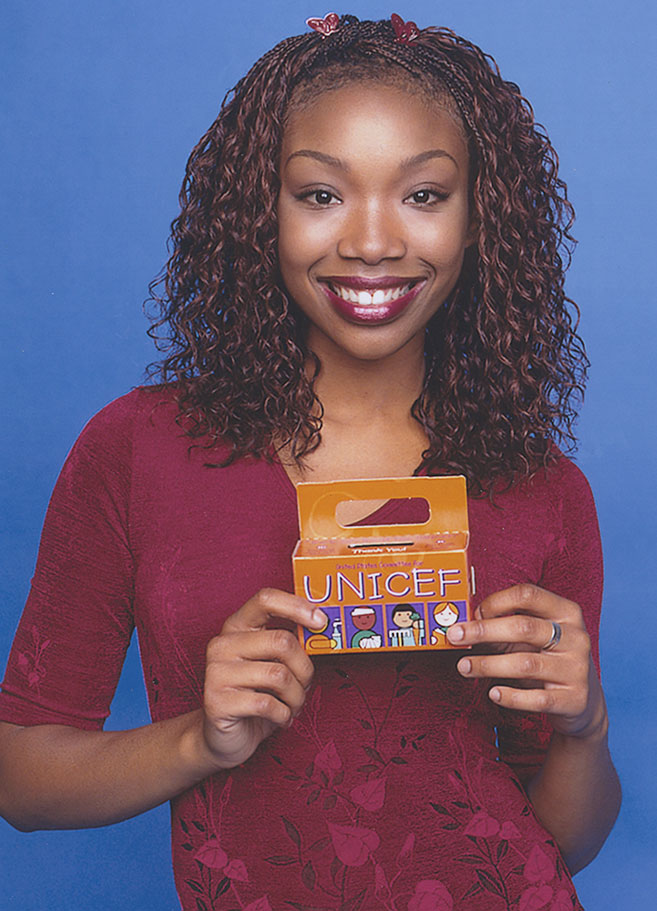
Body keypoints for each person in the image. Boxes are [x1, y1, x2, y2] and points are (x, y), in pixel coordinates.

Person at [0, 13, 620, 910]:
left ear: (483, 217)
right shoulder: (135, 450)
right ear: (260, 209)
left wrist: (584, 726)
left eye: (424, 194)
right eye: (321, 194)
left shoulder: (544, 490)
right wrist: (198, 742)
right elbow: (20, 781)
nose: (371, 242)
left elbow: (564, 841)